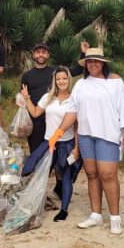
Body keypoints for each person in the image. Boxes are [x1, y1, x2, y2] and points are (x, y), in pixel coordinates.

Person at [50, 48, 124, 235]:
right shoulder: (81, 84)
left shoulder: (115, 81)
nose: (93, 64)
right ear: (86, 64)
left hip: (108, 134)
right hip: (87, 135)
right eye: (89, 61)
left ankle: (115, 218)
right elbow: (72, 112)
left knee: (108, 175)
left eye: (96, 61)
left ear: (103, 63)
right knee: (91, 173)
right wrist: (59, 132)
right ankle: (95, 214)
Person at [21, 66, 83, 222]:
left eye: (64, 78)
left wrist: (76, 147)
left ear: (69, 80)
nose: (61, 81)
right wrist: (27, 98)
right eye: (58, 79)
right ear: (55, 81)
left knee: (66, 176)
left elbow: (77, 126)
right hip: (49, 142)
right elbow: (35, 112)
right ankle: (36, 204)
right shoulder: (48, 97)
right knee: (41, 173)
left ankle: (64, 210)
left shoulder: (74, 99)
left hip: (66, 143)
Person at [20, 41, 88, 153]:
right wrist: (20, 101)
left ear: (48, 55)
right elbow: (23, 95)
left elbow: (78, 70)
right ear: (33, 55)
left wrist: (83, 53)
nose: (41, 55)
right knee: (37, 152)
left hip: (55, 118)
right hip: (36, 119)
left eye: (44, 52)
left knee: (55, 151)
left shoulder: (56, 71)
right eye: (38, 52)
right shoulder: (27, 75)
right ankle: (39, 170)